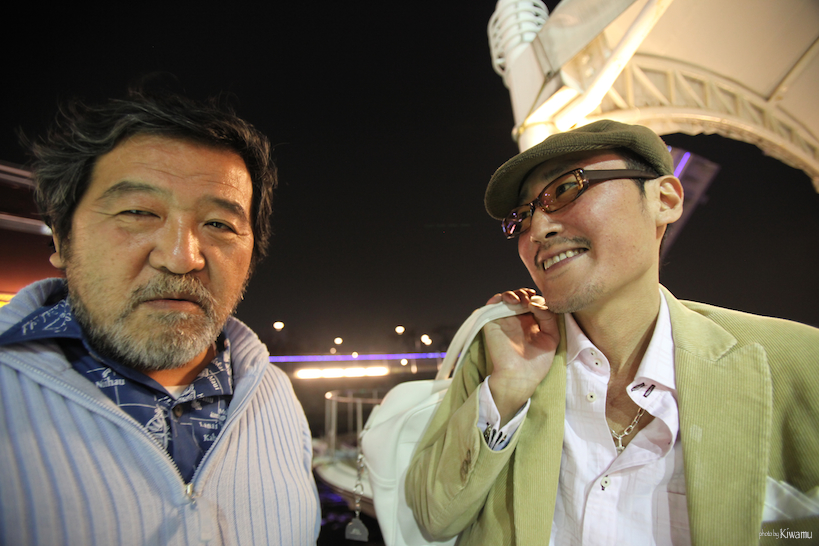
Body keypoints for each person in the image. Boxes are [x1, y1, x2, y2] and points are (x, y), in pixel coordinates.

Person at [406, 120, 819, 545]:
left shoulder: (798, 364)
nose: (538, 230)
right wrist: (507, 390)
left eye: (567, 189)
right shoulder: (501, 352)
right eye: (521, 218)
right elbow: (433, 517)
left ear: (664, 200)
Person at [0, 89, 321, 545]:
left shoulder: (274, 396)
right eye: (138, 212)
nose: (182, 257)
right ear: (61, 238)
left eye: (219, 224)